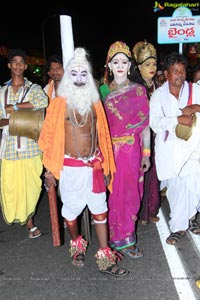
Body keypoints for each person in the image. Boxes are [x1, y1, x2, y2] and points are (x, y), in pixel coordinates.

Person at [38, 47, 128, 277]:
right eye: (74, 74)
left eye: (83, 74)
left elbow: (103, 138)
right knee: (70, 212)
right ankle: (77, 244)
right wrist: (49, 169)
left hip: (94, 166)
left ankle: (105, 255)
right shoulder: (58, 104)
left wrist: (106, 166)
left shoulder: (96, 103)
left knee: (100, 212)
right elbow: (48, 138)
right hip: (69, 167)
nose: (79, 79)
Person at [99, 41, 150, 258]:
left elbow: (145, 125)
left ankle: (127, 239)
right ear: (109, 66)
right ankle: (112, 236)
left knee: (130, 194)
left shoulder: (139, 91)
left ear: (130, 66)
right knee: (112, 195)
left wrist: (146, 153)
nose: (120, 66)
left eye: (124, 62)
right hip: (108, 151)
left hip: (132, 150)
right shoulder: (101, 93)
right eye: (115, 62)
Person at [150, 52, 200, 245]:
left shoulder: (194, 89)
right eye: (175, 71)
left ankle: (190, 218)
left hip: (193, 150)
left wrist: (196, 107)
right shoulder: (158, 96)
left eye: (182, 70)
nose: (179, 74)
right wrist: (177, 120)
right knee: (177, 191)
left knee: (194, 189)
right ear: (167, 74)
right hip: (170, 151)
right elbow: (155, 123)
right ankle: (178, 227)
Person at [0, 48, 48, 237]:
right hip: (9, 147)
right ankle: (15, 215)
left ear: (26, 66)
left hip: (30, 147)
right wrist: (14, 120)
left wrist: (16, 108)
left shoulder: (33, 89)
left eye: (21, 62)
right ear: (9, 65)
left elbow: (42, 101)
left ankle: (29, 221)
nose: (18, 65)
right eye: (15, 62)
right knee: (9, 186)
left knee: (31, 186)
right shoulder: (2, 91)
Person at [132, 40, 161, 225]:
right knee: (139, 175)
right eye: (147, 64)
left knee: (153, 175)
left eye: (154, 64)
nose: (152, 68)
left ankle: (150, 210)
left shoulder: (158, 87)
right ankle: (137, 213)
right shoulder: (134, 88)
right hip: (139, 137)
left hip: (156, 136)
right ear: (138, 67)